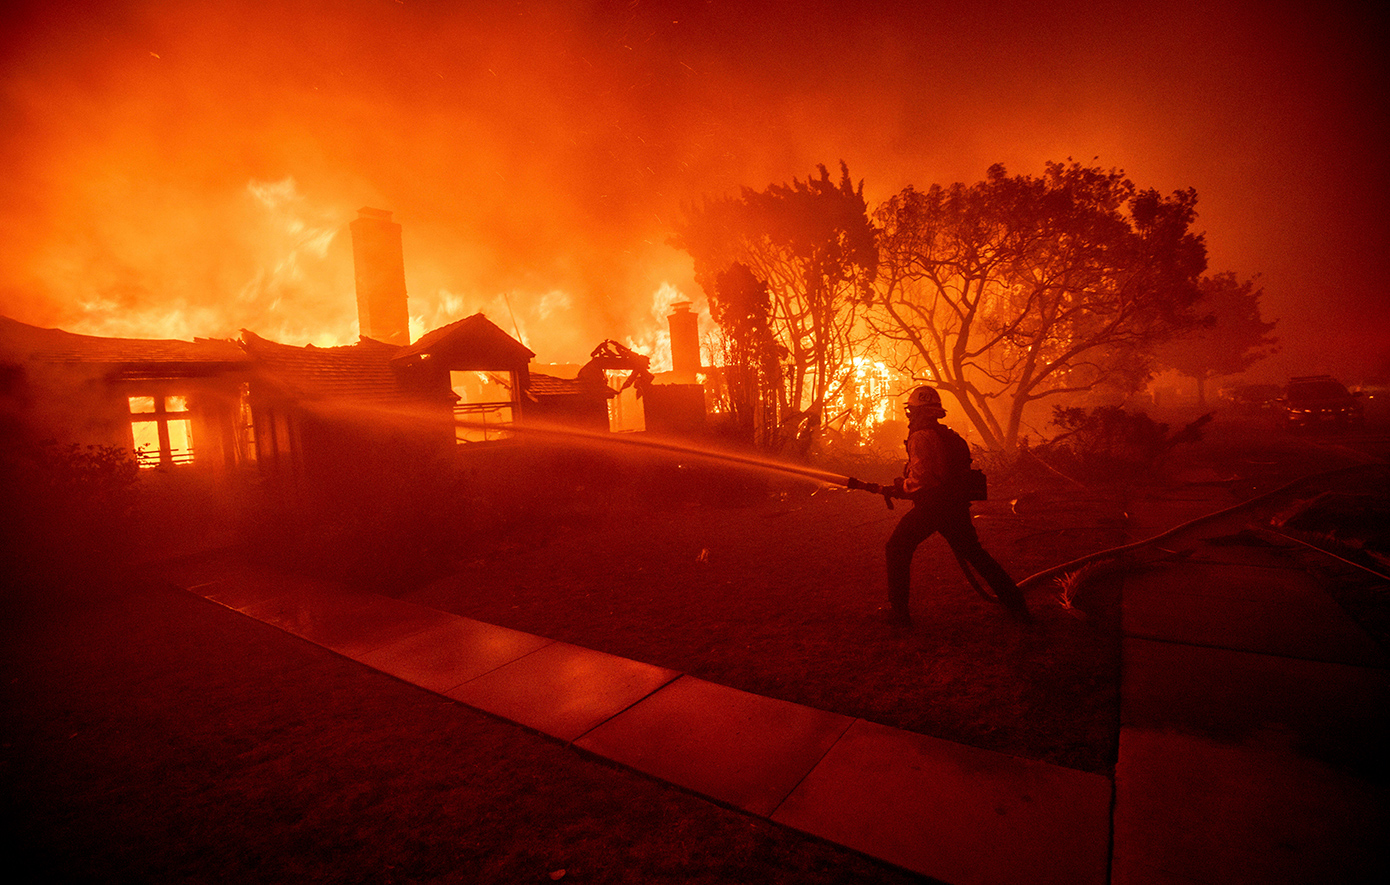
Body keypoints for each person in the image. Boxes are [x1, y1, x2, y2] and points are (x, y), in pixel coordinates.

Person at [877, 385, 1030, 628]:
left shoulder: (920, 436)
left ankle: (899, 615)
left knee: (896, 548)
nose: (909, 416)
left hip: (933, 507)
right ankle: (1017, 605)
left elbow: (924, 478)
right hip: (954, 506)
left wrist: (902, 486)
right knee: (975, 554)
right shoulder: (946, 435)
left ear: (916, 412)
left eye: (911, 411)